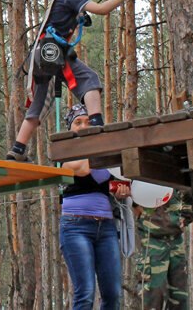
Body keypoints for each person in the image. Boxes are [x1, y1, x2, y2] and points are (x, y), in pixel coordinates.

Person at [6, 0, 144, 161]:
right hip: (56, 53)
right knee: (90, 79)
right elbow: (102, 9)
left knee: (39, 103)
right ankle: (96, 124)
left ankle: (17, 149)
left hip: (44, 54)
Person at [59, 104, 128, 310]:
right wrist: (98, 146)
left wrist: (122, 190)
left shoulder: (107, 157)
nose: (84, 125)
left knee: (113, 294)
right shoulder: (64, 153)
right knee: (85, 293)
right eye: (78, 122)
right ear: (70, 128)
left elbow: (121, 182)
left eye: (89, 122)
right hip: (75, 227)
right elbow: (80, 170)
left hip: (106, 228)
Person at [138, 193, 193, 309]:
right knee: (153, 295)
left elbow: (190, 191)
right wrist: (136, 208)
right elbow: (124, 186)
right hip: (151, 238)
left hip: (175, 239)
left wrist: (185, 217)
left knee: (180, 296)